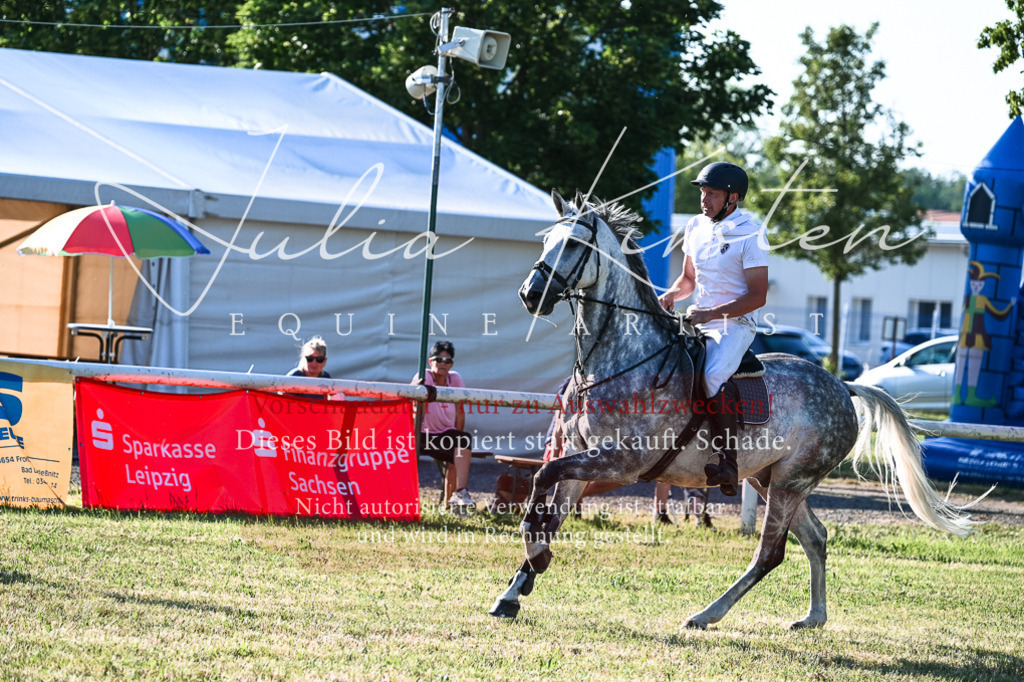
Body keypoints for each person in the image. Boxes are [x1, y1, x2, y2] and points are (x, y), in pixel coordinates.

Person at [658, 162, 768, 496]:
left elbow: (757, 296)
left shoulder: (751, 232)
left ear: (733, 198)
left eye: (712, 194)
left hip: (736, 323)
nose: (704, 199)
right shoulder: (695, 226)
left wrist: (712, 314)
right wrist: (671, 295)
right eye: (703, 192)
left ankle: (727, 459)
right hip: (699, 317)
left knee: (713, 375)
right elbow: (689, 279)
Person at [412, 340, 475, 515]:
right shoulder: (423, 376)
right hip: (422, 434)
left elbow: (460, 410)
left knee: (462, 442)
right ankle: (406, 501)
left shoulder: (455, 378)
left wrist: (458, 435)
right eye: (438, 359)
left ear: (452, 364)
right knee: (458, 447)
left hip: (444, 435)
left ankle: (457, 497)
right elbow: (413, 407)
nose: (442, 364)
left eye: (447, 361)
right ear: (431, 361)